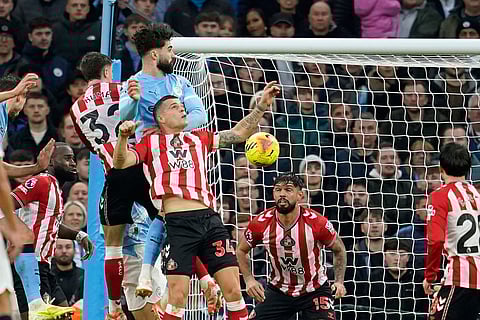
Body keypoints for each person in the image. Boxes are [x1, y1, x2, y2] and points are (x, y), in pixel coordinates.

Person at [113, 81, 281, 320]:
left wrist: (261, 107)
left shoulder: (199, 139)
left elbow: (239, 133)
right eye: (174, 106)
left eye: (182, 105)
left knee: (233, 289)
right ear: (161, 118)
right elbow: (120, 162)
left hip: (209, 220)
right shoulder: (150, 143)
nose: (182, 108)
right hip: (178, 224)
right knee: (177, 296)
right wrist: (122, 137)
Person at [119, 24, 208, 299]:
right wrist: (134, 104)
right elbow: (122, 120)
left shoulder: (180, 83)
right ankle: (200, 279)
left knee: (172, 216)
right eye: (170, 49)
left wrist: (166, 129)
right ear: (155, 55)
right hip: (149, 164)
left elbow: (200, 115)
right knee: (167, 213)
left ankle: (194, 279)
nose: (174, 55)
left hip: (182, 158)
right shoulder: (133, 84)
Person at [236, 172, 347, 320]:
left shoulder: (317, 223)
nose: (282, 194)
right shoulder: (261, 223)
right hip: (279, 290)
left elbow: (339, 249)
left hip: (314, 289)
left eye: (288, 190)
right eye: (278, 189)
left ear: (300, 195)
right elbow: (241, 250)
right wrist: (249, 279)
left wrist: (339, 282)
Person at [11, 142, 93, 311]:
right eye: (67, 159)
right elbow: (5, 205)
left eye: (73, 159)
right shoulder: (41, 182)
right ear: (50, 162)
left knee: (65, 315)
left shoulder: (56, 189)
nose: (73, 164)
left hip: (46, 267)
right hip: (31, 265)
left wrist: (79, 235)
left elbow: (51, 225)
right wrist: (20, 234)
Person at [423, 142, 480, 319]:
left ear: (441, 168)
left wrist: (430, 276)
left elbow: (435, 240)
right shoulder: (477, 196)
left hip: (459, 278)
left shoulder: (439, 196)